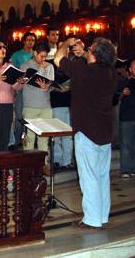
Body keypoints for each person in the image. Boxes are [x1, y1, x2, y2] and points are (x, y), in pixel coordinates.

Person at [54, 37, 117, 230]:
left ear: (95, 56)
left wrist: (66, 43)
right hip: (104, 131)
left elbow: (58, 59)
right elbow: (87, 66)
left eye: (90, 49)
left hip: (87, 130)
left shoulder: (85, 72)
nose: (87, 50)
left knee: (88, 177)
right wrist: (82, 55)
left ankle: (92, 219)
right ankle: (102, 215)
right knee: (102, 176)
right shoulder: (110, 73)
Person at [19, 42, 54, 156]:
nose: (43, 59)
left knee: (44, 137)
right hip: (30, 105)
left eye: (45, 56)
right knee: (29, 137)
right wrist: (40, 68)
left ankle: (43, 164)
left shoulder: (49, 66)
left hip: (46, 106)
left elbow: (51, 85)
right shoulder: (25, 65)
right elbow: (23, 81)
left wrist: (47, 87)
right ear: (35, 53)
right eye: (41, 56)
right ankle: (27, 165)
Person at [10, 31, 36, 146]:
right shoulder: (17, 55)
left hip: (33, 90)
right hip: (21, 89)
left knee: (32, 115)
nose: (30, 42)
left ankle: (30, 141)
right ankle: (17, 141)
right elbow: (12, 71)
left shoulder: (36, 54)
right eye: (28, 40)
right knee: (19, 116)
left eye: (33, 40)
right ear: (24, 41)